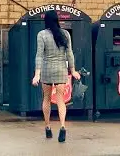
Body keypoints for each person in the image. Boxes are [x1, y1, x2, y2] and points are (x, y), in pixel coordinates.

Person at [32, 10, 81, 142]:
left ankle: (47, 127)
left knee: (46, 99)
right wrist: (73, 70)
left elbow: (39, 55)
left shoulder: (41, 34)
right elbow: (70, 53)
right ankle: (63, 127)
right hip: (61, 70)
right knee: (61, 100)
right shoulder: (65, 34)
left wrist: (37, 74)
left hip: (47, 70)